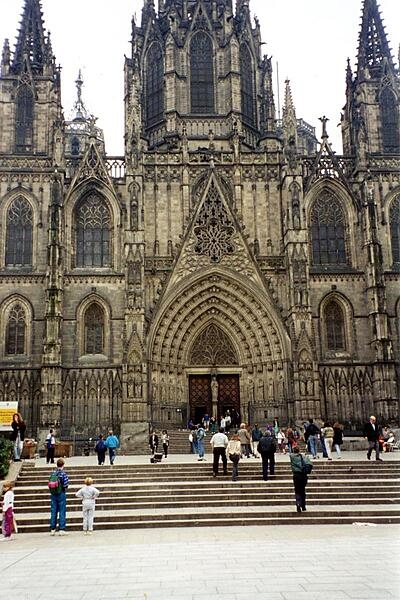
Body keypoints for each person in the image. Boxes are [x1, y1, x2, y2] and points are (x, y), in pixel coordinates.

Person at [49, 458, 69, 535]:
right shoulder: (63, 474)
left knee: (53, 511)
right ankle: (61, 529)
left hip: (53, 494)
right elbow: (66, 485)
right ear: (63, 465)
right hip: (61, 493)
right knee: (62, 510)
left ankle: (52, 529)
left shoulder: (53, 473)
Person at [289, 446, 312, 512]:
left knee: (297, 491)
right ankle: (303, 506)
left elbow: (291, 454)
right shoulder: (304, 457)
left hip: (296, 475)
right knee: (302, 490)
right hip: (303, 475)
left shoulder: (292, 457)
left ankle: (298, 504)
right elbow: (309, 464)